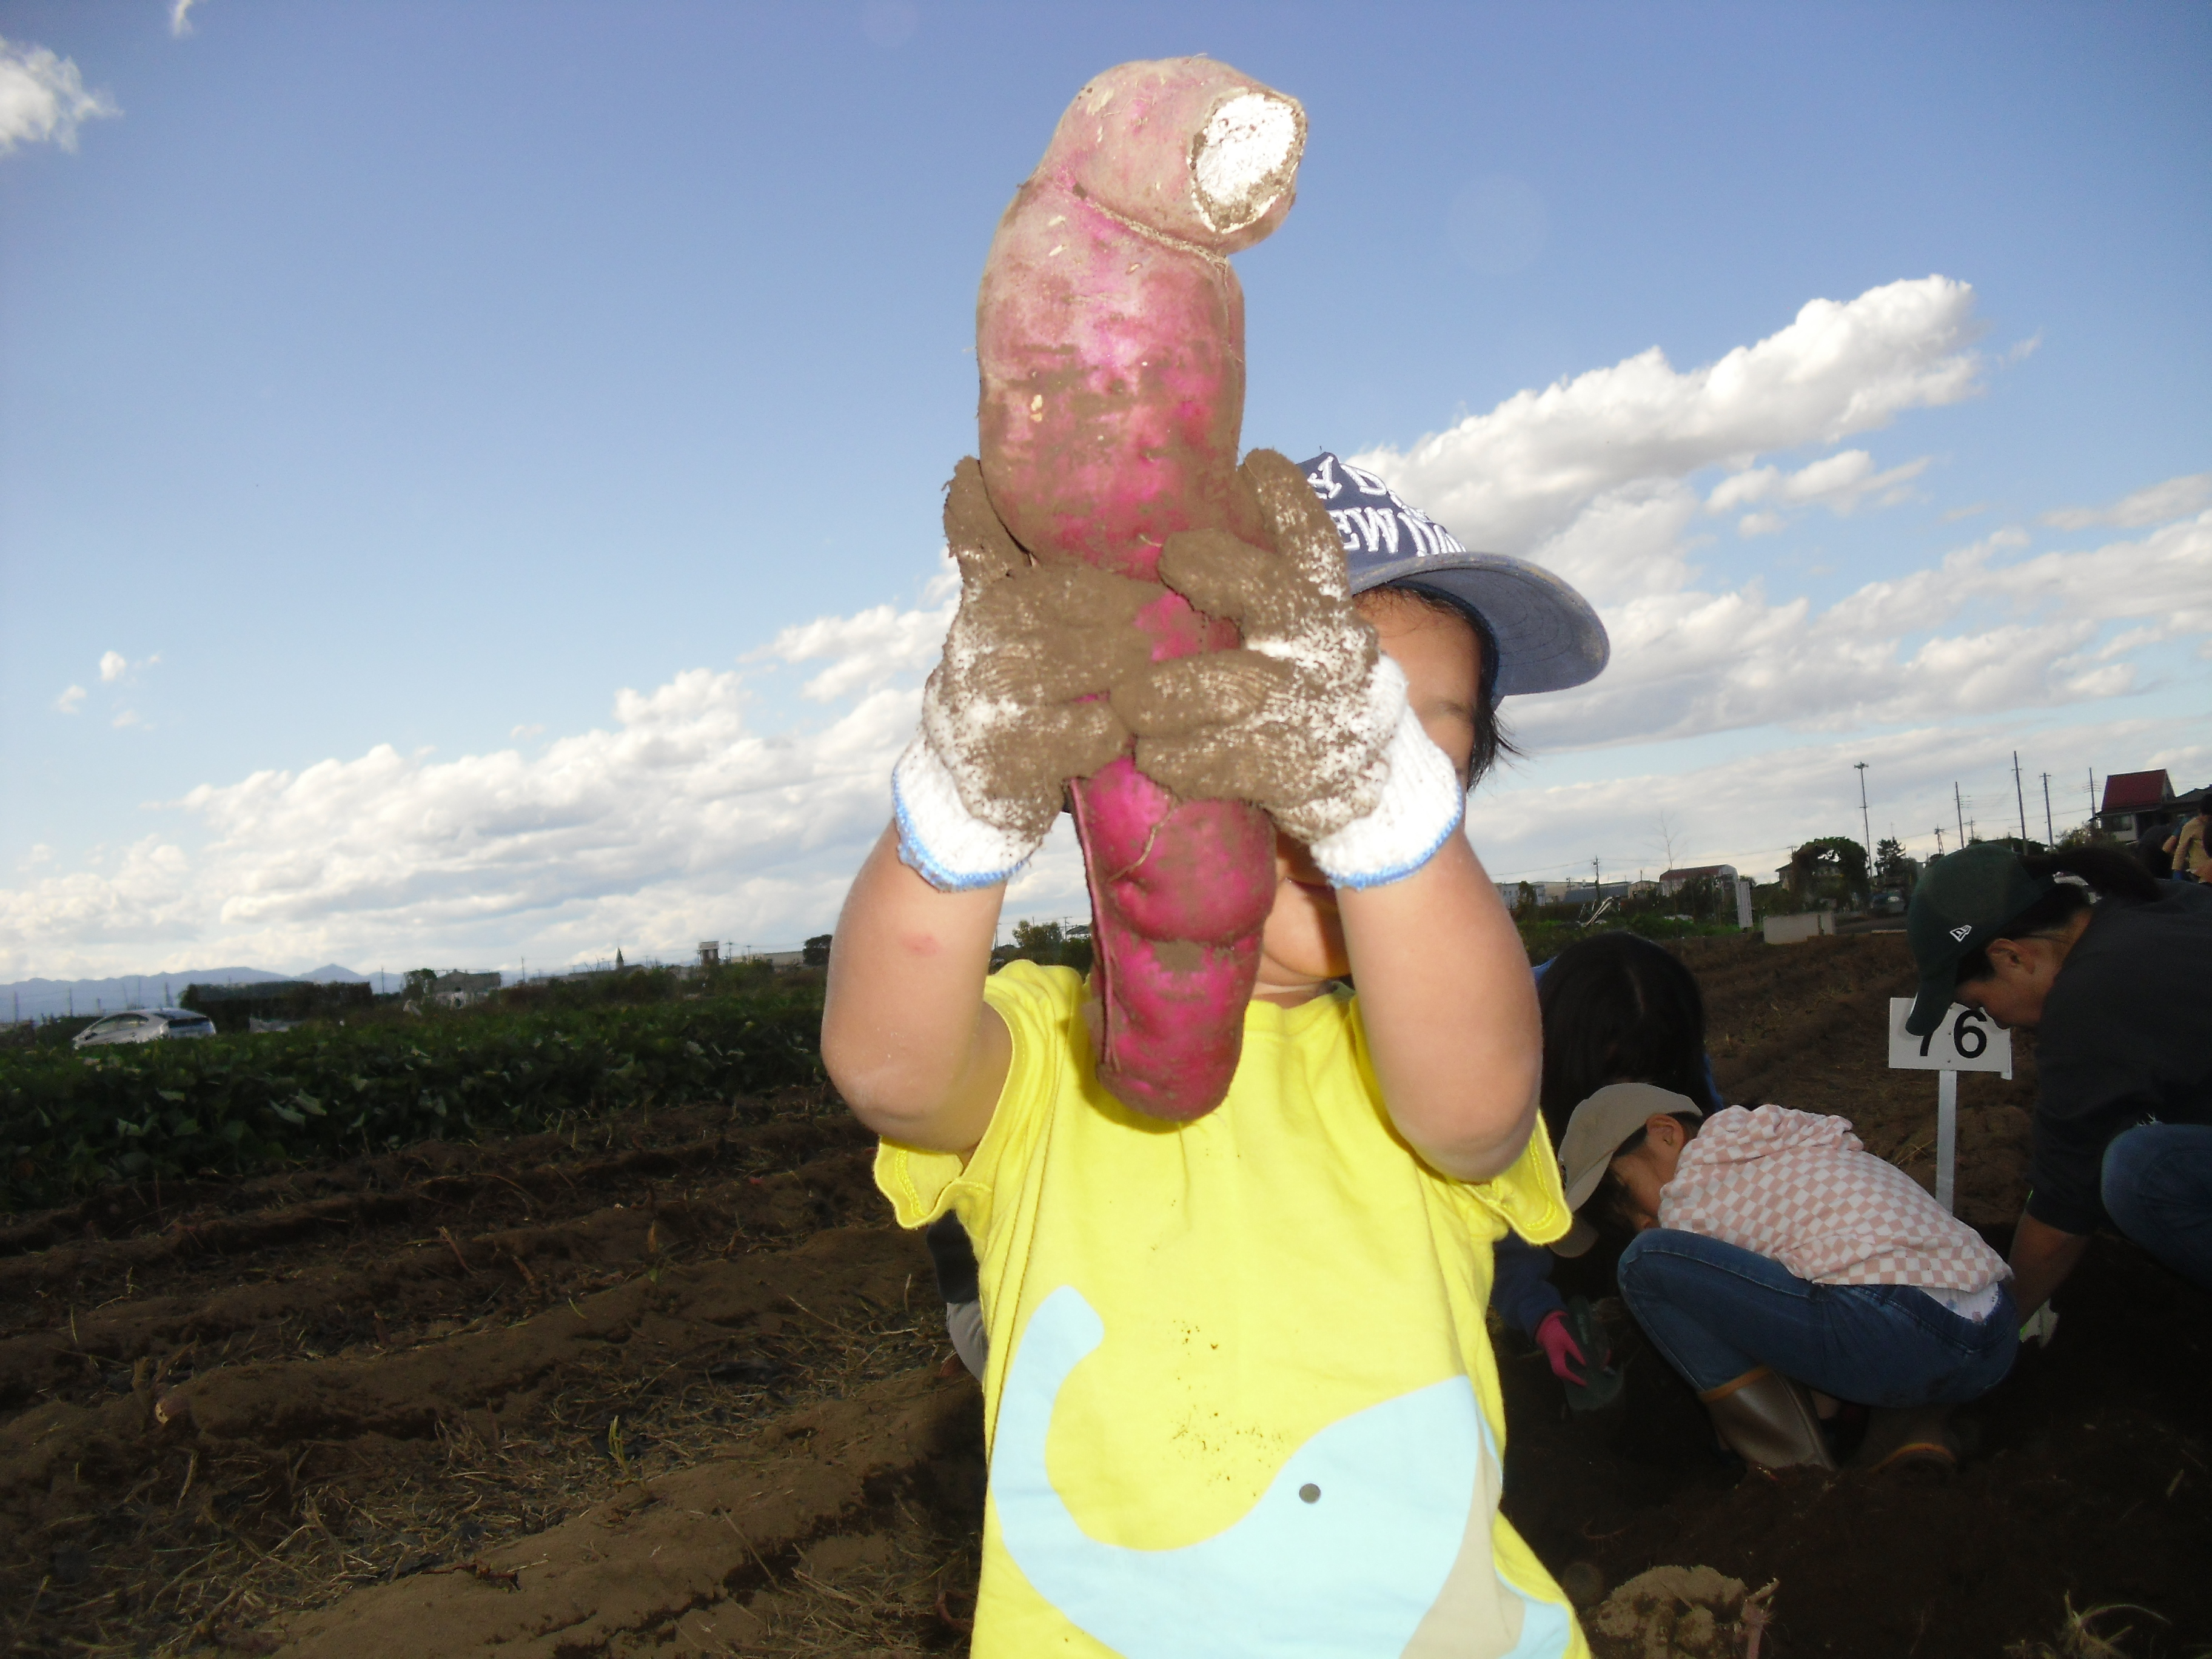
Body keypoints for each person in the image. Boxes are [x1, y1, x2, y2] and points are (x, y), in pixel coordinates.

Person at [825, 451, 1607, 1656]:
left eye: (1405, 762)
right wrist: (959, 805)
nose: (1327, 803)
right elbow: (894, 1067)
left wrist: (1381, 822)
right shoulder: (1055, 1050)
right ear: (1118, 772)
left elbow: (1477, 1107)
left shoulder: (1416, 1069)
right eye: (1270, 739)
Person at [1541, 933, 2017, 1473]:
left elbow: (1746, 1315)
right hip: (1993, 1327)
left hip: (1899, 1332)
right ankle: (1918, 1430)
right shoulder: (1781, 1138)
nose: (1647, 1221)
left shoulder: (1690, 1197)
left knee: (1646, 1264)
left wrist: (1764, 1419)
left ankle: (1796, 1469)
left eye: (1629, 1204)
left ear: (1666, 1134)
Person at [1903, 842, 2212, 1319]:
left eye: (1981, 1008)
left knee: (2143, 1172)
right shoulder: (2159, 903)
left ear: (2011, 958)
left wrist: (1993, 1333)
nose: (1998, 1024)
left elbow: (2063, 1211)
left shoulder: (2093, 998)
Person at [2164, 801, 2211, 882]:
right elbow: (2181, 849)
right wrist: (2176, 870)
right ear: (2200, 813)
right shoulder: (2191, 826)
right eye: (2208, 818)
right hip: (2198, 872)